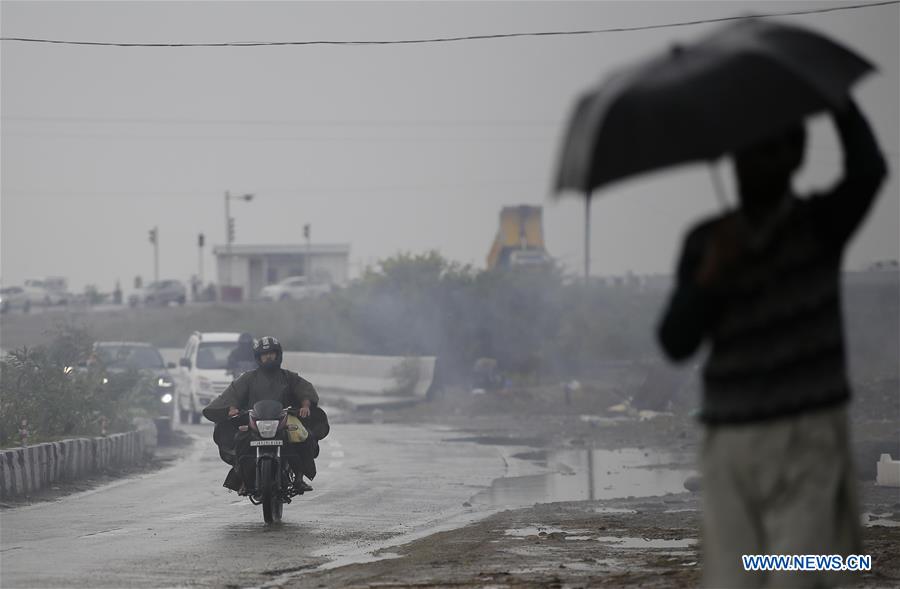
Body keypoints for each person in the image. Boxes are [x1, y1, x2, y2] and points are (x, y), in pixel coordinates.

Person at [658, 99, 886, 588]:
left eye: (763, 150)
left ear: (794, 156)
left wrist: (839, 104)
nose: (749, 163)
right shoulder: (706, 242)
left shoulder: (819, 225)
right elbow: (676, 341)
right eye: (742, 152)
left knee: (799, 574)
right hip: (730, 439)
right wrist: (709, 277)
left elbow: (869, 170)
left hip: (808, 436)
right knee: (736, 579)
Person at [203, 336, 328, 495]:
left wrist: (305, 405)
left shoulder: (289, 377)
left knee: (303, 437)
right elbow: (232, 395)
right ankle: (242, 477)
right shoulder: (248, 378)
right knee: (239, 441)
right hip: (253, 420)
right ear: (258, 357)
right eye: (264, 354)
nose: (268, 357)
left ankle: (298, 478)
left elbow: (305, 391)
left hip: (284, 418)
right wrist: (230, 409)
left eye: (271, 353)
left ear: (278, 355)